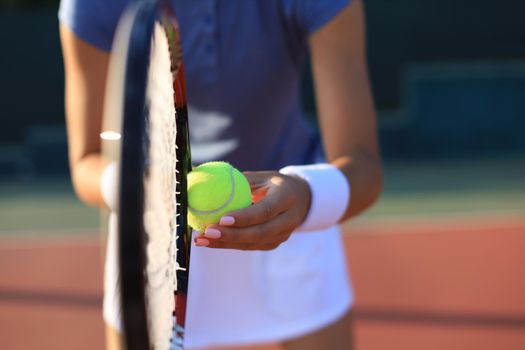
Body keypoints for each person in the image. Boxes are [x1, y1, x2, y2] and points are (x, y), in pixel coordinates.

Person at [59, 0, 382, 349]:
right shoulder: (92, 5)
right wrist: (140, 189)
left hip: (294, 226)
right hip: (154, 236)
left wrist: (305, 195)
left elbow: (363, 166)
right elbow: (87, 162)